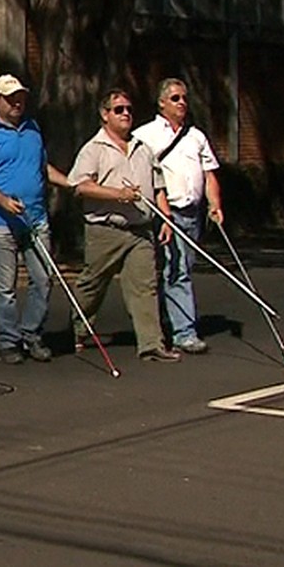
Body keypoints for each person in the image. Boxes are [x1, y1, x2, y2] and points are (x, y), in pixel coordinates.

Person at [67, 88, 181, 363]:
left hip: (140, 230)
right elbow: (80, 186)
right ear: (105, 115)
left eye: (129, 109)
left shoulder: (143, 148)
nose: (126, 114)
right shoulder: (93, 149)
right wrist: (118, 194)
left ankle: (152, 344)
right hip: (105, 230)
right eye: (119, 110)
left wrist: (165, 218)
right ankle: (79, 328)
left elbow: (158, 186)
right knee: (92, 284)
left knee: (145, 286)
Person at [0, 73, 71, 364]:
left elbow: (43, 168)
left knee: (44, 279)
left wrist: (70, 182)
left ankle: (31, 334)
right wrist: (2, 200)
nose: (17, 103)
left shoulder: (32, 129)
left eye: (21, 97)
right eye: (11, 98)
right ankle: (8, 342)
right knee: (5, 287)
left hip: (35, 218)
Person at [132, 77, 223, 354]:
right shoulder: (145, 135)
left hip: (192, 212)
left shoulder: (196, 136)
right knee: (176, 270)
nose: (182, 103)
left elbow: (209, 174)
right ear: (161, 103)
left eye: (184, 98)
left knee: (180, 269)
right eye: (175, 98)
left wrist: (215, 205)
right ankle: (184, 332)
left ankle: (167, 320)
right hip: (163, 214)